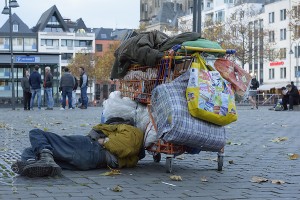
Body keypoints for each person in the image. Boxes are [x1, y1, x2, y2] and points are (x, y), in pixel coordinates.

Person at [11, 118, 144, 178]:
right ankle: (34, 164)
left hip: (89, 148)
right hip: (89, 160)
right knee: (30, 150)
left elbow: (122, 145)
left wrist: (103, 140)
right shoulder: (133, 155)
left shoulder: (132, 130)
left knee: (36, 133)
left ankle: (44, 158)